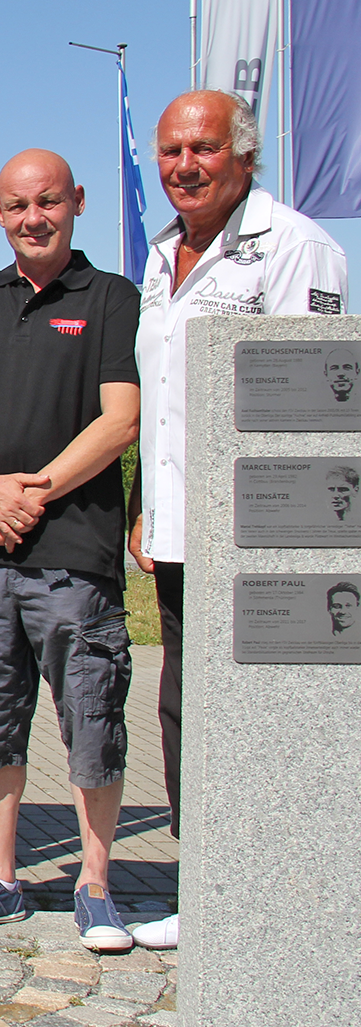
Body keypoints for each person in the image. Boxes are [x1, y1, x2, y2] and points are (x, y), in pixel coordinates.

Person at [129, 89, 350, 950]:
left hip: (262, 536)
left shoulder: (298, 248)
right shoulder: (160, 254)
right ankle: (211, 883)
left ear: (245, 156)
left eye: (204, 148)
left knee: (269, 712)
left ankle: (285, 886)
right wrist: (147, 503)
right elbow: (166, 404)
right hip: (180, 529)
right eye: (172, 151)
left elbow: (315, 405)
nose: (185, 165)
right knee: (186, 709)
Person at [0, 150, 142, 953]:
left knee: (89, 713)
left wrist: (32, 492)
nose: (32, 217)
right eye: (16, 205)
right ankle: (1, 879)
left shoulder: (111, 297)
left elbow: (121, 420)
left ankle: (96, 884)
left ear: (75, 203)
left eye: (47, 202)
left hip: (72, 551)